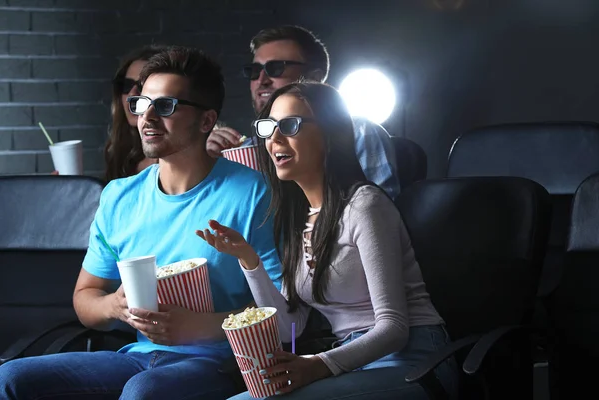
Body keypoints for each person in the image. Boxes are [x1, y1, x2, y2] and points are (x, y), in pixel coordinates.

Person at [0, 46, 282, 400]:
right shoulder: (119, 197)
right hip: (138, 358)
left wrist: (201, 327)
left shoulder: (252, 192)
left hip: (223, 362)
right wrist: (114, 306)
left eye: (165, 106)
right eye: (141, 104)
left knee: (143, 392)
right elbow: (85, 298)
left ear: (206, 121)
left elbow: (284, 310)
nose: (147, 117)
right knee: (8, 378)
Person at [198, 81, 457, 400]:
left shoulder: (365, 206)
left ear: (330, 134)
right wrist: (248, 260)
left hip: (414, 364)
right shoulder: (299, 220)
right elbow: (286, 329)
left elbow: (393, 328)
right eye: (268, 127)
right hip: (351, 364)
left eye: (289, 125)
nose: (274, 138)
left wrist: (317, 366)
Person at [207, 25, 401, 201]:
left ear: (314, 78)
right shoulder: (245, 148)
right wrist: (203, 164)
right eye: (254, 71)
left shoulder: (358, 130)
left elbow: (380, 211)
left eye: (276, 68)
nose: (262, 80)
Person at [104, 44, 166, 183]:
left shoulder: (192, 151)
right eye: (126, 86)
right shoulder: (120, 151)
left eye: (142, 86)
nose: (132, 95)